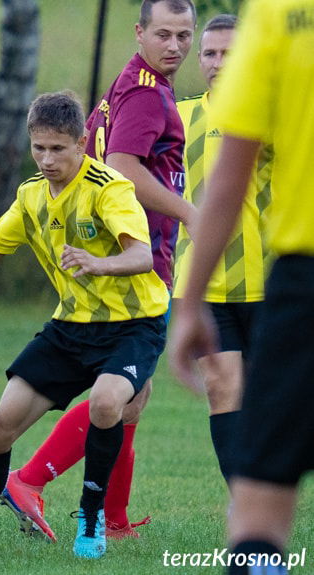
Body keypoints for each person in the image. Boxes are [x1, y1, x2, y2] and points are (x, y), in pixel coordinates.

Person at [0, 0, 196, 542]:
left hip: (119, 253)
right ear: (139, 33)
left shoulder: (126, 85)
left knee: (134, 396)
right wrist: (189, 213)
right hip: (135, 257)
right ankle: (28, 481)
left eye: (184, 35)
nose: (175, 45)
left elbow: (97, 161)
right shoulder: (146, 95)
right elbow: (124, 170)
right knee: (120, 396)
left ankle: (112, 519)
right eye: (164, 33)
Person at [0, 90, 169, 560]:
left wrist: (97, 263)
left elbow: (142, 255)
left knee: (107, 403)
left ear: (82, 142)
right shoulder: (30, 196)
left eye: (58, 149)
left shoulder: (109, 188)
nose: (46, 159)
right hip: (69, 329)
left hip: (133, 324)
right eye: (38, 147)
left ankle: (91, 521)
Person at [170, 0, 314, 573]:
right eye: (209, 52)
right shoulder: (179, 112)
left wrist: (188, 299)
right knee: (231, 396)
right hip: (269, 282)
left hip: (297, 274)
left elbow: (229, 177)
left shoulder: (280, 16)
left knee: (260, 510)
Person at [173, 13, 273, 485]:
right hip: (206, 279)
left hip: (272, 278)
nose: (218, 63)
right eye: (210, 53)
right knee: (220, 388)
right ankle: (244, 502)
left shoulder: (277, 117)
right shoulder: (178, 117)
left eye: (230, 53)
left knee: (274, 397)